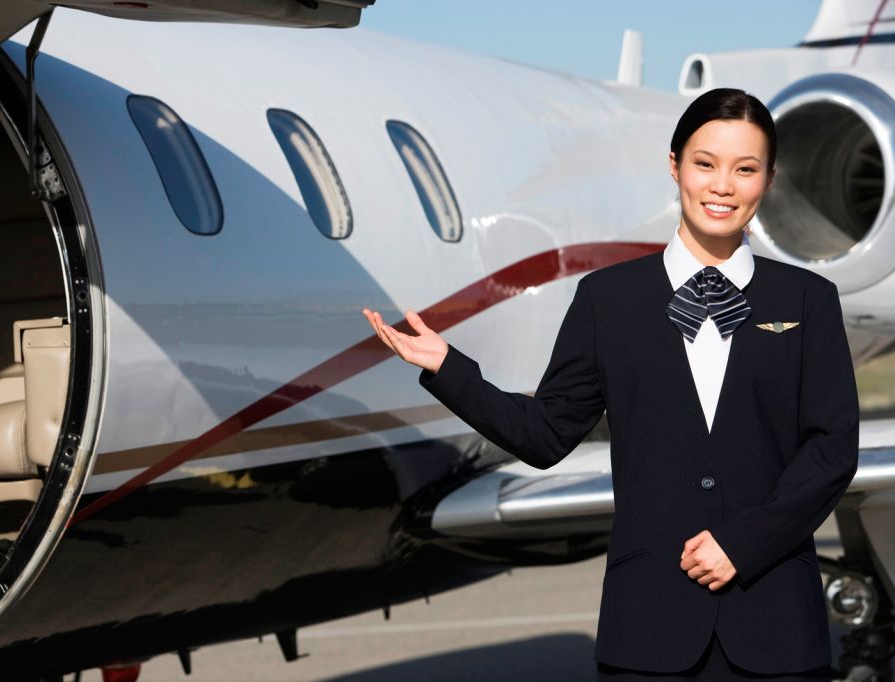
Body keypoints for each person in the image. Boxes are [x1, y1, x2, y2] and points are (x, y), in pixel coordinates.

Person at [362, 87, 859, 680]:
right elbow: (544, 435)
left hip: (777, 624)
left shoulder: (807, 300)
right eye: (705, 164)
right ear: (674, 167)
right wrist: (448, 367)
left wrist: (745, 543)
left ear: (769, 179)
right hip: (649, 630)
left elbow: (831, 451)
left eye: (745, 169)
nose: (722, 186)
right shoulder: (607, 300)